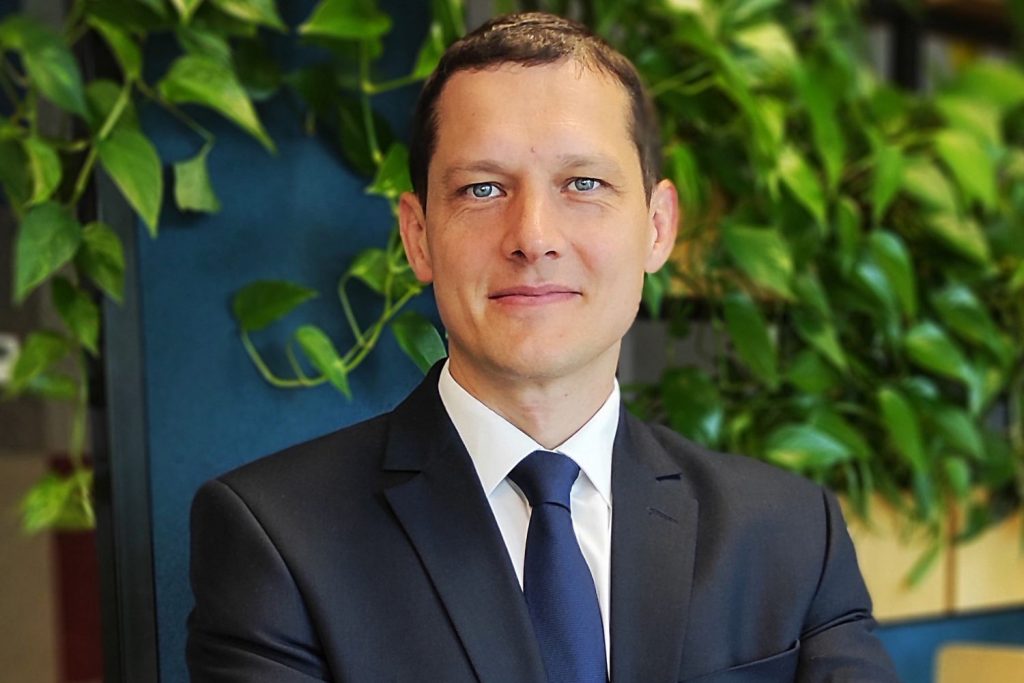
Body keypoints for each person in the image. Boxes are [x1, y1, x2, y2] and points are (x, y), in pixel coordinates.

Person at [187, 12, 900, 683]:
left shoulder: (792, 534)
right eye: (482, 188)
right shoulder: (278, 538)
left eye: (583, 183)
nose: (533, 236)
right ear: (418, 236)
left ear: (657, 227)